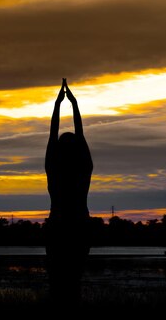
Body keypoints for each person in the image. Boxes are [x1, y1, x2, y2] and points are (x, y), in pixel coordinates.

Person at [45, 78, 93, 302]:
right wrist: (73, 104)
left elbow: (52, 135)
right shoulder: (83, 170)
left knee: (57, 282)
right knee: (74, 281)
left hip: (58, 229)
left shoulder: (54, 170)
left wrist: (58, 104)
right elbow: (80, 135)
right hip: (79, 228)